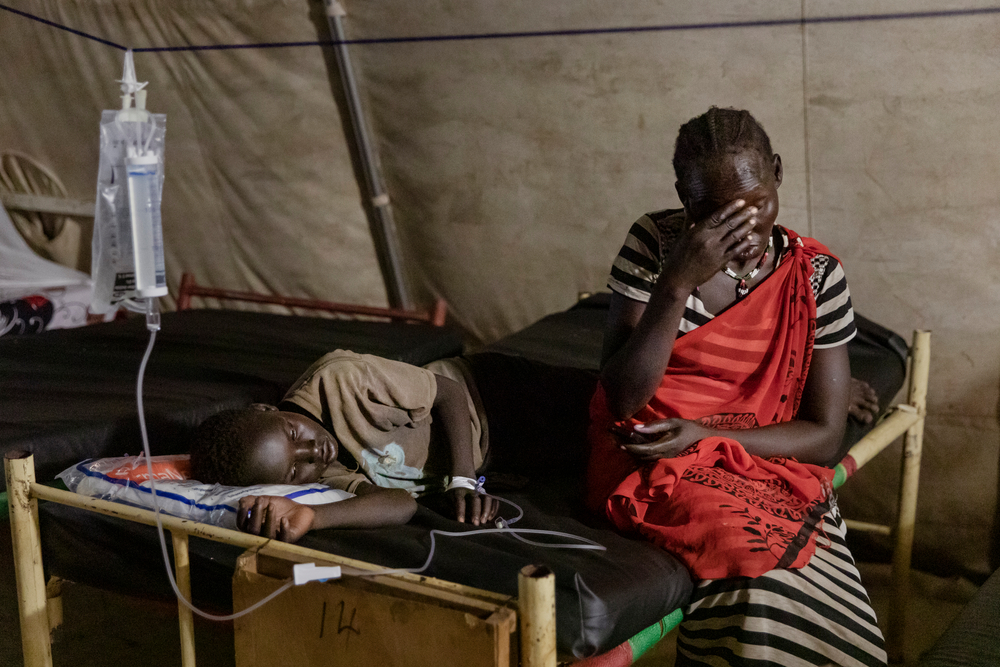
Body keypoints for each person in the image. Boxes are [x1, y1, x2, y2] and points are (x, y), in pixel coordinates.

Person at [588, 107, 887, 666]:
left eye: (755, 206)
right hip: (653, 456)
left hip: (750, 456)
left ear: (776, 171)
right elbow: (621, 401)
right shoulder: (655, 244)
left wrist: (703, 433)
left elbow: (823, 436)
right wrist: (676, 282)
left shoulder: (816, 275)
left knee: (815, 571)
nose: (739, 230)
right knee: (750, 569)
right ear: (683, 196)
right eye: (711, 213)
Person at [190, 350, 499, 543]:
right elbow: (401, 503)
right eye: (296, 469)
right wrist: (311, 515)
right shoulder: (322, 478)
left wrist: (463, 480)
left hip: (489, 394)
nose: (314, 451)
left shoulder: (339, 379)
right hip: (493, 457)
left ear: (267, 409)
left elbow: (450, 392)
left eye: (294, 433)